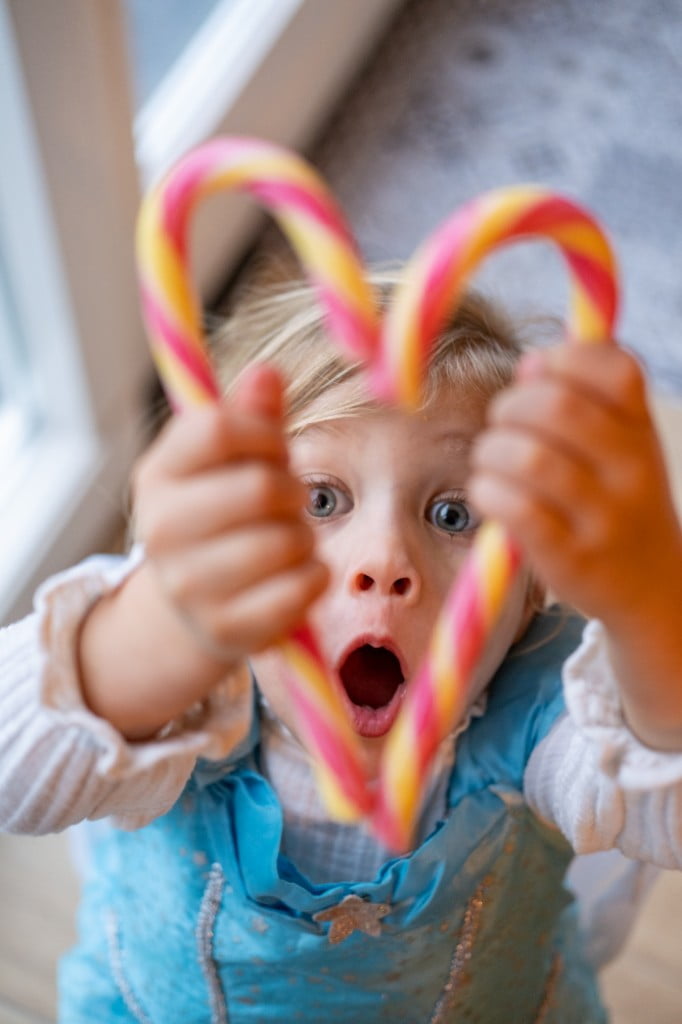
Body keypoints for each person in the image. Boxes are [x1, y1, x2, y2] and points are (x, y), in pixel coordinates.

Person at [1, 271, 681, 1023]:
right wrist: (163, 627)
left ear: (525, 598)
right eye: (321, 500)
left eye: (454, 514)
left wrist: (650, 602)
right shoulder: (180, 673)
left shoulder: (547, 712)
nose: (385, 558)